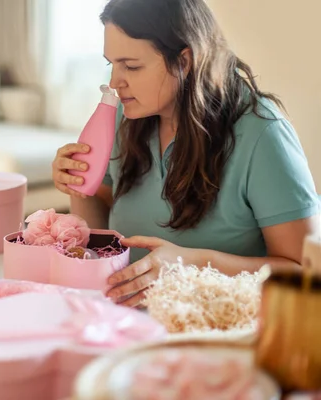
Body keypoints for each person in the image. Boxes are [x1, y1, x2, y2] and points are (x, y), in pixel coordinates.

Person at [51, 0, 320, 307]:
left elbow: (306, 272)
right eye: (112, 64)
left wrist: (190, 265)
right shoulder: (125, 115)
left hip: (217, 330)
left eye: (132, 66)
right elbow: (100, 216)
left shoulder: (262, 133)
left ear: (184, 60)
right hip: (123, 321)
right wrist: (79, 187)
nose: (114, 82)